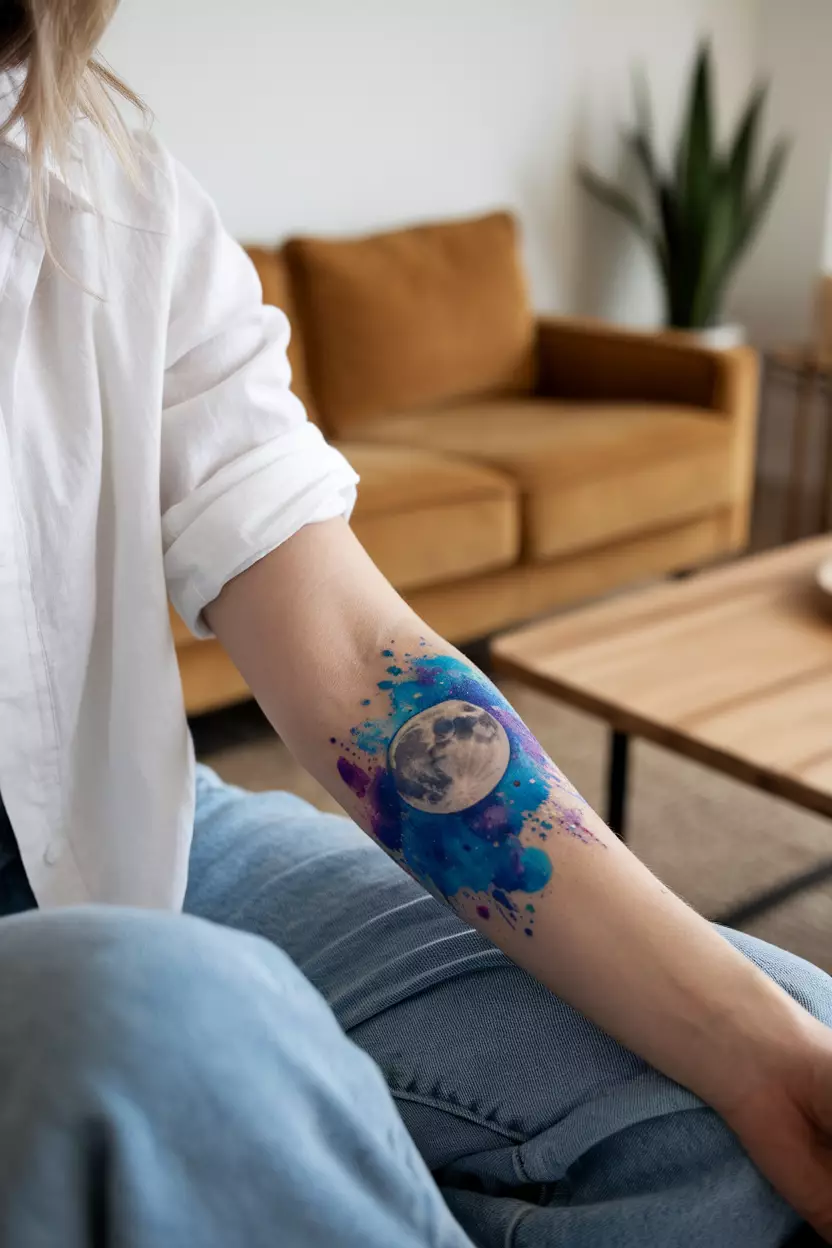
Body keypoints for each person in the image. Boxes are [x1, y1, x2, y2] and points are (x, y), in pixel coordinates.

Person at [0, 3, 830, 1245]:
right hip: (113, 976)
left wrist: (751, 1048)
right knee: (152, 1031)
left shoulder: (91, 176)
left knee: (769, 1031)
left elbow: (345, 655)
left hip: (103, 834)